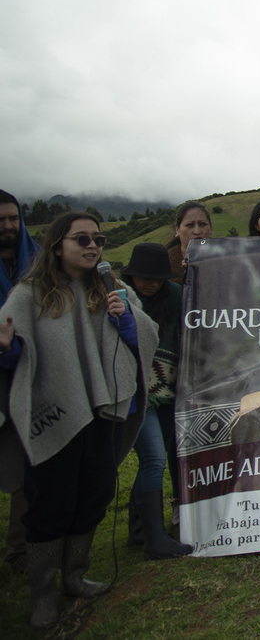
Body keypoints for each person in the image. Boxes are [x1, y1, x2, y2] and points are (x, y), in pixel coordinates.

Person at [0, 212, 158, 628]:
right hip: (54, 411)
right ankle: (43, 595)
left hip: (101, 411)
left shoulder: (110, 287)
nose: (93, 246)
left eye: (99, 239)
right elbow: (17, 353)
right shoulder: (29, 295)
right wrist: (7, 349)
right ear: (57, 246)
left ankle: (74, 575)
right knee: (52, 502)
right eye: (82, 239)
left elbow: (144, 335)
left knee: (96, 491)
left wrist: (125, 319)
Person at [120, 243, 190, 559]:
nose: (151, 283)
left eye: (157, 278)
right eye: (144, 277)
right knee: (153, 458)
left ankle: (140, 531)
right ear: (132, 275)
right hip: (138, 394)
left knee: (164, 454)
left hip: (169, 391)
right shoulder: (121, 300)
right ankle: (155, 539)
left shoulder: (175, 297)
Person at [1, 189, 39, 573]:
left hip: (31, 373)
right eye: (1, 221)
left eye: (13, 219)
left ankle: (21, 551)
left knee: (30, 459)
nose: (9, 227)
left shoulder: (39, 261)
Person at [166, 200, 212, 283]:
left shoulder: (226, 260)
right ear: (177, 230)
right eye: (190, 225)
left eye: (202, 224)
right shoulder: (164, 265)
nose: (197, 231)